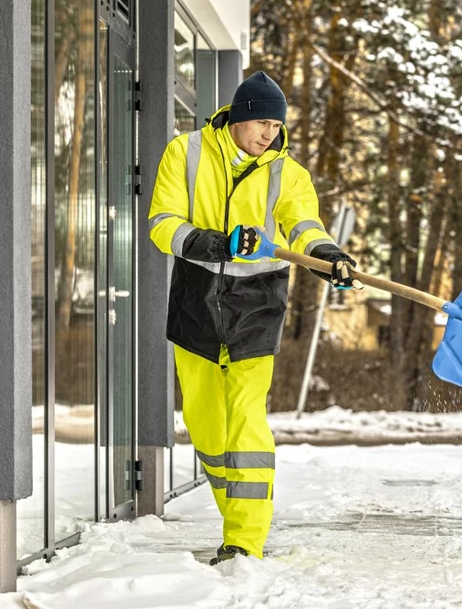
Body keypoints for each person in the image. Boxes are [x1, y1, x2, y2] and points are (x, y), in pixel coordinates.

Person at [147, 71, 361, 564]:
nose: (270, 132)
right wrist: (219, 243)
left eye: (275, 124)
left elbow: (304, 224)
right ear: (240, 117)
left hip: (258, 302)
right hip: (196, 300)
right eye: (262, 121)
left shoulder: (287, 172)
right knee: (205, 424)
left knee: (246, 417)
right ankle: (234, 512)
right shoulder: (186, 152)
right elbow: (163, 223)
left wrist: (330, 256)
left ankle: (244, 540)